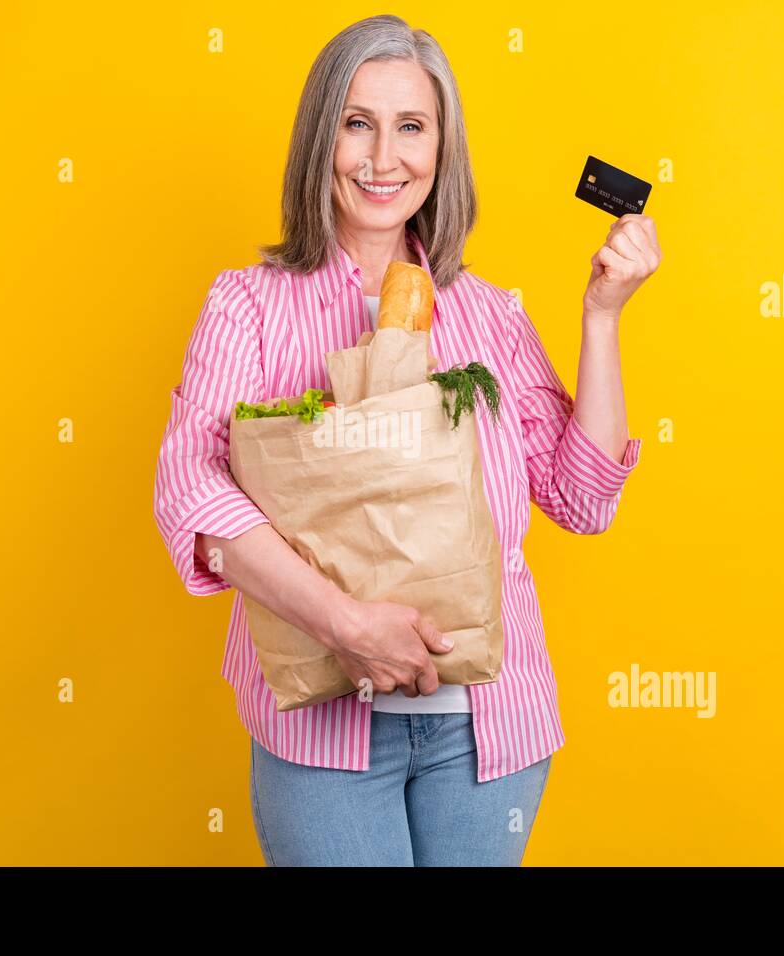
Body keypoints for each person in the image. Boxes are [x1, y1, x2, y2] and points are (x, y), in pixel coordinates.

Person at [153, 14, 660, 866]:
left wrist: (602, 317)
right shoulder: (248, 306)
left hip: (490, 734)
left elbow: (581, 497)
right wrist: (348, 625)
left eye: (411, 127)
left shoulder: (491, 314)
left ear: (441, 148)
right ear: (323, 138)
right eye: (358, 123)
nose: (383, 158)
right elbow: (194, 496)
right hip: (323, 735)